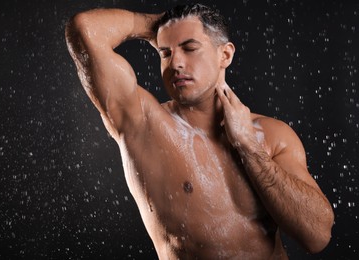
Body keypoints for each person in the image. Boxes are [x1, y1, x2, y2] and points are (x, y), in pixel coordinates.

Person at [65, 4, 334, 259]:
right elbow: (84, 28)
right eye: (165, 53)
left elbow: (316, 236)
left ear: (225, 55)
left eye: (189, 48)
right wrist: (158, 24)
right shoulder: (142, 123)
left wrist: (248, 146)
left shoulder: (272, 135)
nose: (175, 63)